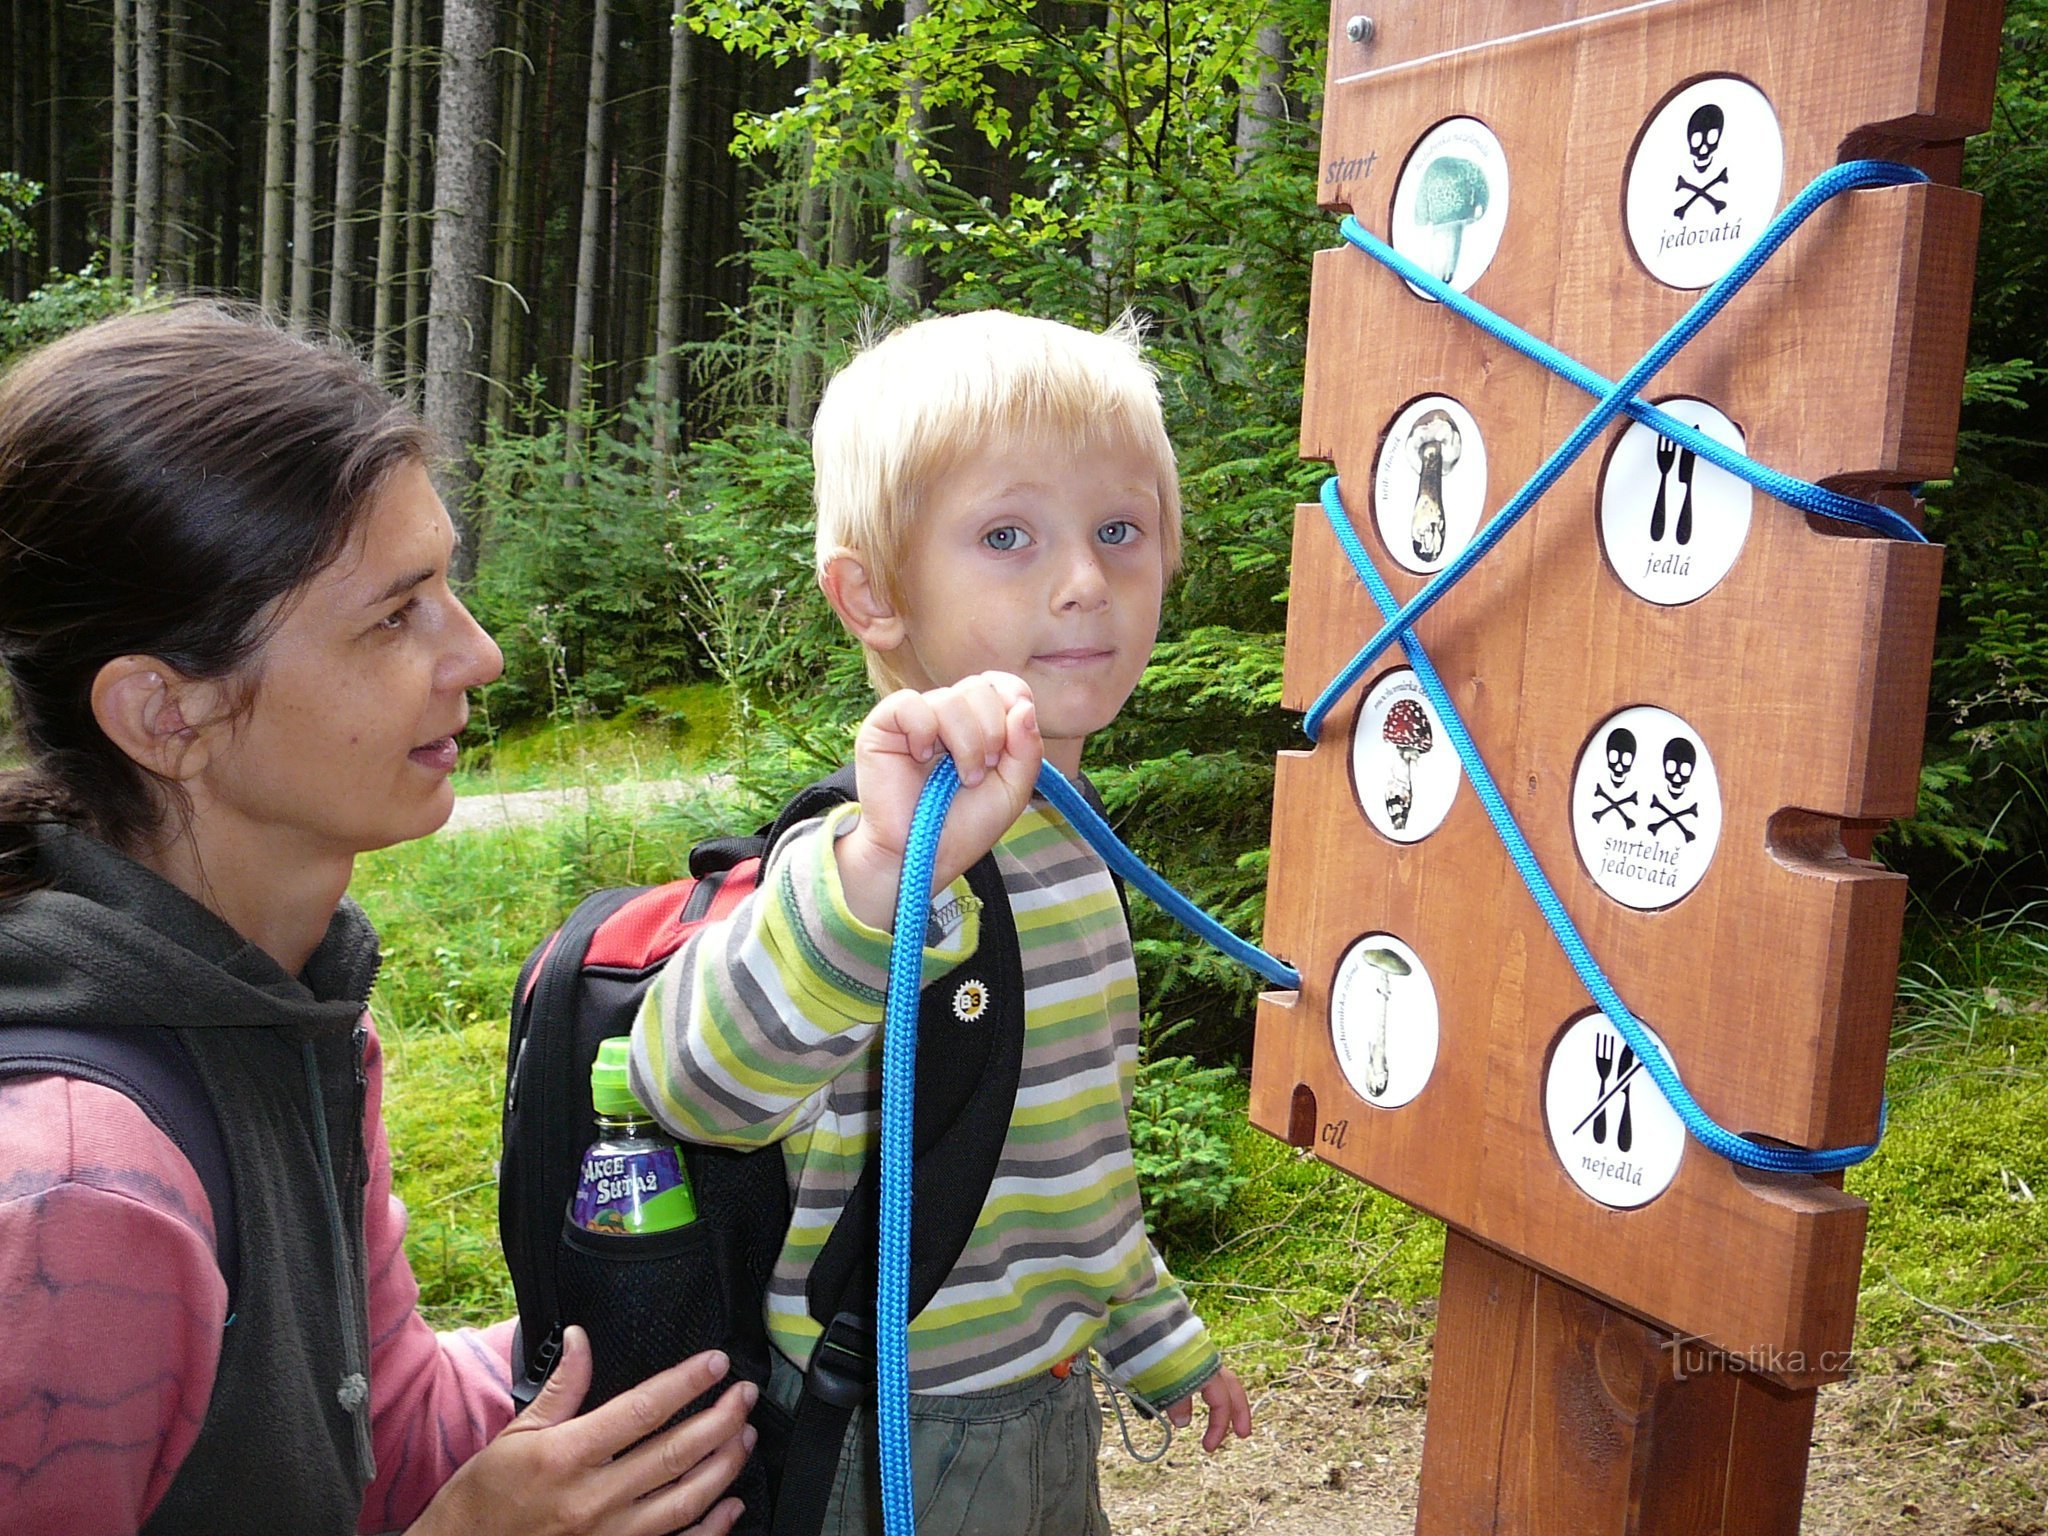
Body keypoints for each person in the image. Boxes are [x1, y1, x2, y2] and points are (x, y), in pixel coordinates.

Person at [0, 303, 756, 1536]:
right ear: (165, 715)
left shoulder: (277, 1007)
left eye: (444, 588)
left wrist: (722, 1265)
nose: (482, 654)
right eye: (394, 615)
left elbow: (384, 1421)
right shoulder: (74, 1201)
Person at [629, 309, 1254, 1534]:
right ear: (873, 594)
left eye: (1119, 529)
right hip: (892, 1425)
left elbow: (1074, 1156)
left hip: (1042, 1400)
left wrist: (1153, 1337)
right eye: (1007, 536)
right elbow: (689, 1080)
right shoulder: (870, 859)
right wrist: (878, 872)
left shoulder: (1074, 853)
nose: (1084, 579)